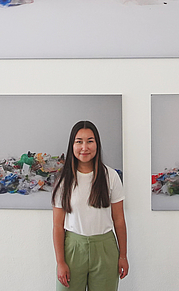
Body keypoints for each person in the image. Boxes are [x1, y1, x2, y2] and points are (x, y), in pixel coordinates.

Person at [52, 120, 128, 290]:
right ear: (72, 145)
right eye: (79, 142)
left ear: (97, 144)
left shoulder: (111, 176)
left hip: (105, 248)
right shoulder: (63, 180)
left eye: (90, 141)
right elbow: (57, 225)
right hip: (72, 248)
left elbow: (119, 220)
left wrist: (123, 255)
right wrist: (60, 262)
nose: (84, 147)